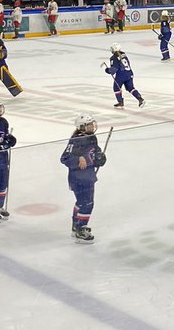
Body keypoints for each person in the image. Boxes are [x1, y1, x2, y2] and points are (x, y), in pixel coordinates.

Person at [61, 113, 105, 243]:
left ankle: (77, 226)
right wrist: (78, 158)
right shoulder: (77, 139)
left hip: (88, 176)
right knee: (87, 203)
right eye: (89, 124)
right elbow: (64, 158)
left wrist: (100, 158)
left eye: (92, 123)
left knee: (82, 202)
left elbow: (94, 153)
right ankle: (81, 229)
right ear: (82, 127)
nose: (92, 126)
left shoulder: (92, 137)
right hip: (78, 178)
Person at [104, 43, 145, 108]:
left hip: (121, 76)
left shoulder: (113, 57)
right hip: (129, 73)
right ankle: (140, 99)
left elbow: (114, 69)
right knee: (130, 88)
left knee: (116, 88)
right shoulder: (124, 55)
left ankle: (120, 101)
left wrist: (107, 70)